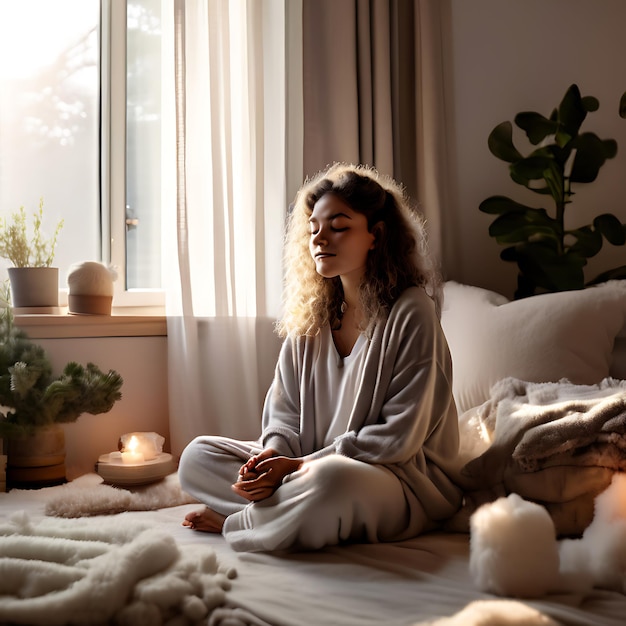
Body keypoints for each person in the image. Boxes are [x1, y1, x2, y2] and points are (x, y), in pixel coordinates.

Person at [178, 162, 462, 552]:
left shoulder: (412, 311)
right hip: (308, 467)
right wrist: (272, 458)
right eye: (313, 229)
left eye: (339, 226)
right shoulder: (313, 316)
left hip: (398, 479)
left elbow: (398, 439)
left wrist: (296, 468)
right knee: (195, 457)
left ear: (376, 235)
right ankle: (283, 512)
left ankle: (241, 519)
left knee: (331, 483)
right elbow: (284, 414)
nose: (320, 239)